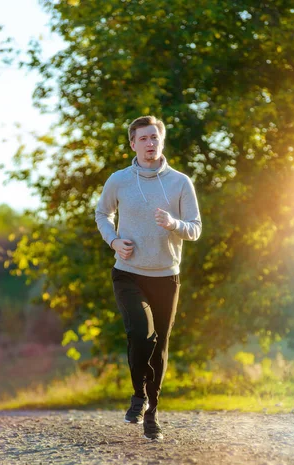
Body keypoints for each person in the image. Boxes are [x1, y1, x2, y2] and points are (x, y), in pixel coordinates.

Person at [95, 115, 202, 441]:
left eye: (154, 137)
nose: (150, 143)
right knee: (141, 334)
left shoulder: (180, 182)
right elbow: (102, 213)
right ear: (133, 144)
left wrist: (173, 224)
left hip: (166, 276)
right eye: (143, 138)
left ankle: (151, 412)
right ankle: (138, 395)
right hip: (128, 274)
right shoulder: (120, 180)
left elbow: (195, 229)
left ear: (162, 141)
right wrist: (114, 240)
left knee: (160, 347)